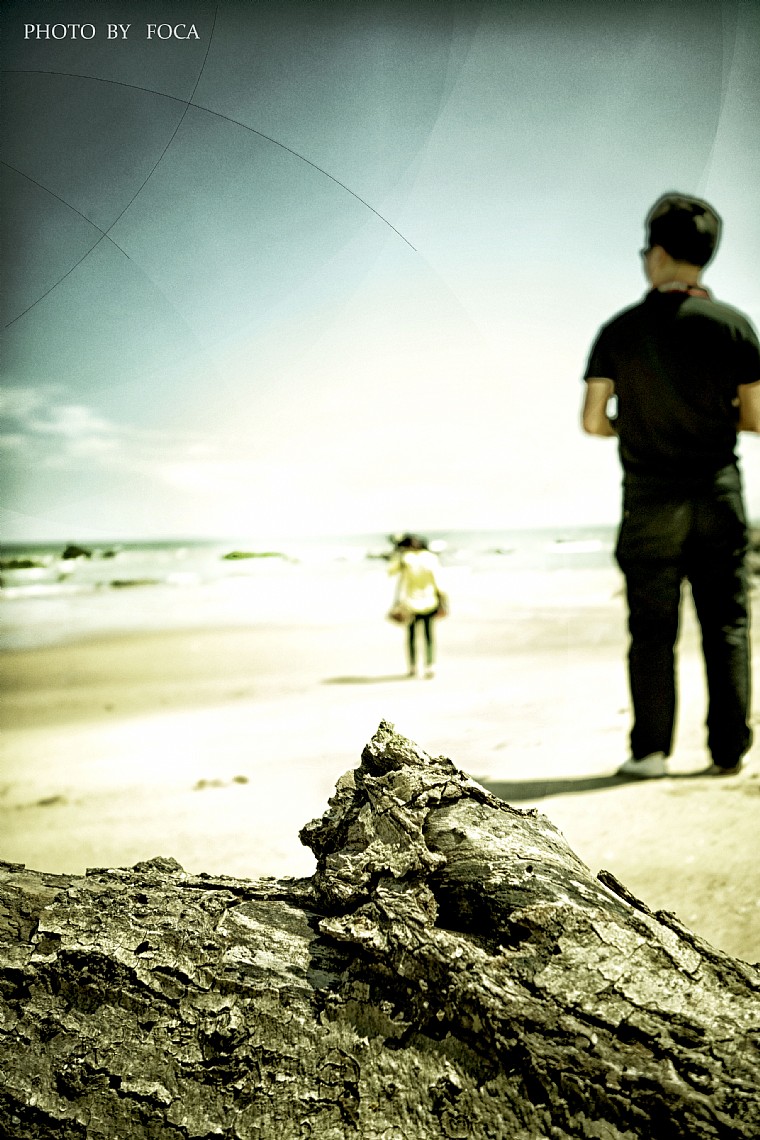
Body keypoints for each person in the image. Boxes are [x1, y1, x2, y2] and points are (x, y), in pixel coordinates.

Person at [581, 192, 760, 778]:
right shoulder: (735, 326)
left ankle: (651, 753)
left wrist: (635, 421)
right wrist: (711, 415)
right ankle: (728, 752)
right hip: (717, 492)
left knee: (652, 630)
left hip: (650, 500)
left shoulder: (619, 331)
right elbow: (756, 418)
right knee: (726, 624)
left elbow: (592, 421)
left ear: (657, 254)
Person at [388, 534, 447, 678]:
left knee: (412, 636)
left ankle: (413, 667)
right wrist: (443, 600)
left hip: (410, 602)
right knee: (429, 635)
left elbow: (391, 571)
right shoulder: (431, 558)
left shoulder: (405, 558)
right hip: (429, 601)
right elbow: (438, 581)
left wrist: (396, 554)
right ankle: (430, 665)